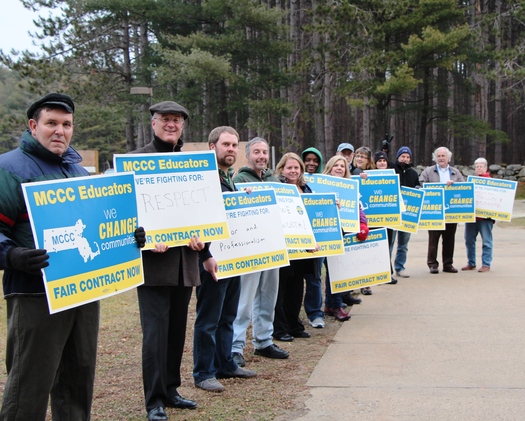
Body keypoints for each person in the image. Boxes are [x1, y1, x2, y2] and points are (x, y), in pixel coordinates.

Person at [0, 93, 144, 420]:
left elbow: (95, 226)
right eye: (51, 123)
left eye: (66, 125)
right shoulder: (9, 169)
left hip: (83, 291)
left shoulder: (78, 172)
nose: (59, 131)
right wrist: (12, 255)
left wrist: (129, 237)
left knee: (78, 377)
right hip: (36, 293)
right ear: (33, 126)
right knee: (30, 384)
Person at [130, 101, 207, 421]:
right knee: (155, 334)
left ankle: (172, 389)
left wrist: (205, 240)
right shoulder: (135, 162)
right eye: (165, 120)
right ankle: (155, 399)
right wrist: (144, 238)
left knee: (176, 330)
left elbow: (205, 211)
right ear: (153, 123)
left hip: (185, 261)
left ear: (183, 126)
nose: (171, 125)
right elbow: (126, 215)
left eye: (177, 120)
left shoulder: (193, 165)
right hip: (154, 263)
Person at [193, 127, 257, 393]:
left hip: (233, 259)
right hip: (211, 260)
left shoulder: (229, 178)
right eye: (226, 144)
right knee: (208, 319)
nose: (231, 149)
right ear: (212, 147)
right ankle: (204, 372)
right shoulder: (202, 180)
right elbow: (197, 221)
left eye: (234, 145)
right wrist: (205, 255)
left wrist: (245, 199)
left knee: (227, 315)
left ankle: (225, 364)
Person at [231, 137, 290, 365]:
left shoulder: (273, 180)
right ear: (248, 155)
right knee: (244, 300)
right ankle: (236, 346)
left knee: (268, 296)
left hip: (272, 247)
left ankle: (263, 340)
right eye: (257, 152)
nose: (261, 156)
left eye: (264, 152)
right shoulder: (240, 179)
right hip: (251, 248)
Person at [272, 153, 316, 341]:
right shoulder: (277, 189)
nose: (293, 171)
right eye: (289, 167)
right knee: (281, 289)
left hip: (303, 249)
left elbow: (316, 213)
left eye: (296, 168)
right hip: (284, 248)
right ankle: (280, 328)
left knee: (297, 288)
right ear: (282, 169)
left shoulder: (306, 188)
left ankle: (294, 325)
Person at [322, 156, 368, 321]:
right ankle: (336, 306)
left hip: (344, 232)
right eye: (336, 165)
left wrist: (363, 225)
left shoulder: (350, 189)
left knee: (336, 270)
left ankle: (330, 304)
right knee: (334, 270)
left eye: (342, 166)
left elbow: (359, 209)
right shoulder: (321, 186)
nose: (339, 168)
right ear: (330, 167)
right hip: (327, 231)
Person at [419, 146, 465, 274]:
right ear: (435, 158)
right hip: (434, 211)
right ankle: (432, 264)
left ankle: (448, 264)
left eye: (443, 156)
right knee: (433, 238)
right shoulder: (428, 171)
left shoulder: (456, 172)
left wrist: (455, 185)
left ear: (448, 158)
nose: (441, 158)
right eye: (438, 156)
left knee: (449, 238)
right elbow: (421, 183)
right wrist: (434, 188)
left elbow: (464, 188)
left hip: (451, 211)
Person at [301, 147, 325, 329]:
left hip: (318, 236)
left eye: (315, 160)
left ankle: (315, 313)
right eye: (307, 160)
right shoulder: (295, 182)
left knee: (314, 277)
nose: (311, 163)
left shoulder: (325, 182)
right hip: (297, 238)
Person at [391, 146, 420, 278]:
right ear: (398, 157)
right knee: (390, 243)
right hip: (393, 212)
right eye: (403, 156)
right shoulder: (391, 169)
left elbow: (417, 188)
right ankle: (387, 269)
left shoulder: (413, 173)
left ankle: (400, 267)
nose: (405, 159)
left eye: (408, 157)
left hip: (408, 214)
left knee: (403, 244)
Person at [462, 158, 494, 273]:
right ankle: (471, 263)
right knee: (469, 240)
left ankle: (486, 264)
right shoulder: (471, 182)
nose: (479, 168)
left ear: (486, 168)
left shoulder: (492, 183)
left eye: (481, 166)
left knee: (486, 241)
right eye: (477, 166)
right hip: (472, 216)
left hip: (486, 218)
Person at [351, 146, 375, 295]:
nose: (359, 158)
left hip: (373, 218)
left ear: (368, 160)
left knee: (368, 251)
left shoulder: (375, 174)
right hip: (356, 218)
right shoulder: (351, 173)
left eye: (363, 156)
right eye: (357, 155)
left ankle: (366, 283)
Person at [372, 151, 397, 285]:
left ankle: (387, 273)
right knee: (376, 246)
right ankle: (376, 274)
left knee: (387, 246)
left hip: (388, 218)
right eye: (379, 161)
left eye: (384, 161)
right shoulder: (368, 175)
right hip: (373, 219)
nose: (382, 163)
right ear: (375, 163)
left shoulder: (392, 176)